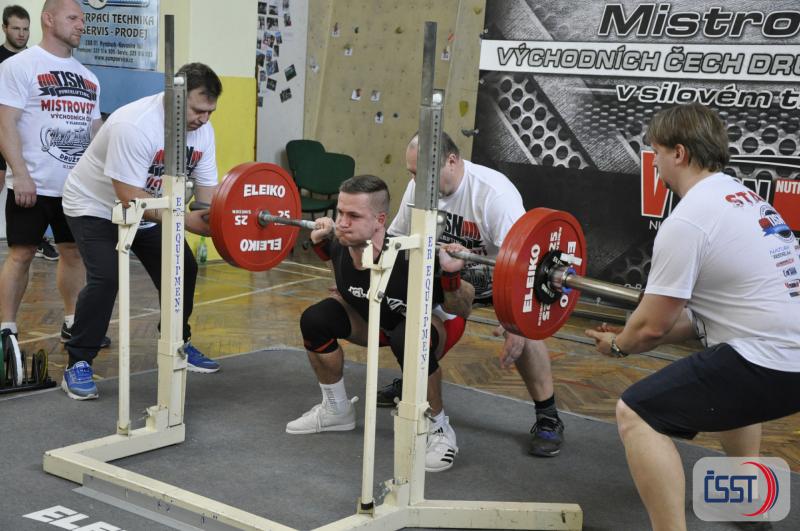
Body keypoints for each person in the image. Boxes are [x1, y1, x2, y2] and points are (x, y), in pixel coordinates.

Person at [585, 103, 800, 529]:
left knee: (637, 413)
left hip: (770, 361)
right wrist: (633, 334)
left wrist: (620, 346)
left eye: (656, 152)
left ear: (679, 153)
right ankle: (749, 506)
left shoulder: (690, 220)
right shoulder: (744, 199)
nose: (654, 163)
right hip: (782, 357)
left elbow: (651, 327)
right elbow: (699, 322)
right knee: (726, 370)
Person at [384, 132, 566, 457]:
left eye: (421, 173)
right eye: (412, 173)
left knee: (525, 336)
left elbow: (523, 264)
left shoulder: (494, 194)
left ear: (452, 161)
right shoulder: (418, 187)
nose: (415, 181)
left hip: (503, 279)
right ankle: (415, 381)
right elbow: (397, 237)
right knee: (409, 319)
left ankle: (548, 416)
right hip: (447, 277)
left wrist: (516, 326)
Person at [288, 174, 475, 472]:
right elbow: (347, 282)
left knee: (407, 338)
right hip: (377, 318)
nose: (342, 223)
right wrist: (322, 244)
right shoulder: (340, 245)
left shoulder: (409, 259)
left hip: (431, 326)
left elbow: (462, 309)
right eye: (340, 212)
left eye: (353, 216)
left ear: (380, 220)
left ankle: (440, 428)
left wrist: (451, 276)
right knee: (316, 319)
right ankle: (336, 410)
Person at [60, 62, 223, 400]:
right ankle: (79, 362)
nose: (204, 119)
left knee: (183, 268)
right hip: (95, 206)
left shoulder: (203, 133)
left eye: (210, 112)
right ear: (174, 97)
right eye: (198, 110)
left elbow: (206, 200)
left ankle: (176, 342)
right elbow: (128, 196)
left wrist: (223, 223)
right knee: (106, 278)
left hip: (154, 209)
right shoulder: (134, 125)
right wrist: (184, 219)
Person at [0, 0, 102, 357]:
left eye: (82, 19)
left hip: (75, 188)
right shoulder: (19, 66)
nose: (81, 25)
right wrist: (21, 174)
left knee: (73, 253)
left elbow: (95, 132)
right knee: (22, 253)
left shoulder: (89, 78)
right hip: (32, 183)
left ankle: (72, 320)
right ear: (49, 19)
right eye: (73, 18)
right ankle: (6, 329)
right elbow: (5, 123)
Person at [1, 6, 60, 260]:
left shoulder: (36, 61)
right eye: (16, 28)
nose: (21, 34)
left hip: (26, 138)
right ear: (4, 28)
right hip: (4, 129)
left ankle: (37, 239)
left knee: (33, 190)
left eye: (25, 29)